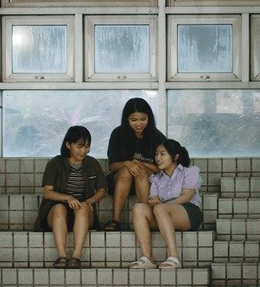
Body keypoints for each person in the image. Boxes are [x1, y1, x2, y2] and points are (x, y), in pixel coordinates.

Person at [35, 126, 107, 269]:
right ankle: (62, 256)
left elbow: (102, 191)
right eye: (79, 146)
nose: (83, 151)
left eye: (87, 147)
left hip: (82, 213)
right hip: (56, 213)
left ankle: (76, 257)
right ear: (68, 145)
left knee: (83, 208)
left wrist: (88, 202)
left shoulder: (92, 164)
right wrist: (68, 198)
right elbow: (47, 192)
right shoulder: (55, 163)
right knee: (59, 208)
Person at [128, 139, 203, 270]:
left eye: (162, 154)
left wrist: (162, 205)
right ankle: (147, 258)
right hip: (163, 214)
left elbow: (186, 197)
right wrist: (153, 202)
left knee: (160, 208)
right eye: (156, 154)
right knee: (139, 208)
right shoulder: (156, 179)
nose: (158, 158)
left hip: (188, 212)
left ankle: (174, 257)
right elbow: (154, 199)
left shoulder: (189, 172)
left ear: (175, 157)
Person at [104, 97, 168, 232]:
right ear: (126, 119)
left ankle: (146, 215)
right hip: (121, 181)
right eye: (134, 120)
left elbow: (161, 168)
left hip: (148, 181)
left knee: (140, 170)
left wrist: (140, 164)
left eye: (143, 119)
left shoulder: (157, 137)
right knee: (126, 171)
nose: (139, 124)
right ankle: (115, 220)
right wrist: (128, 163)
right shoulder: (118, 134)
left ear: (149, 118)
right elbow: (112, 166)